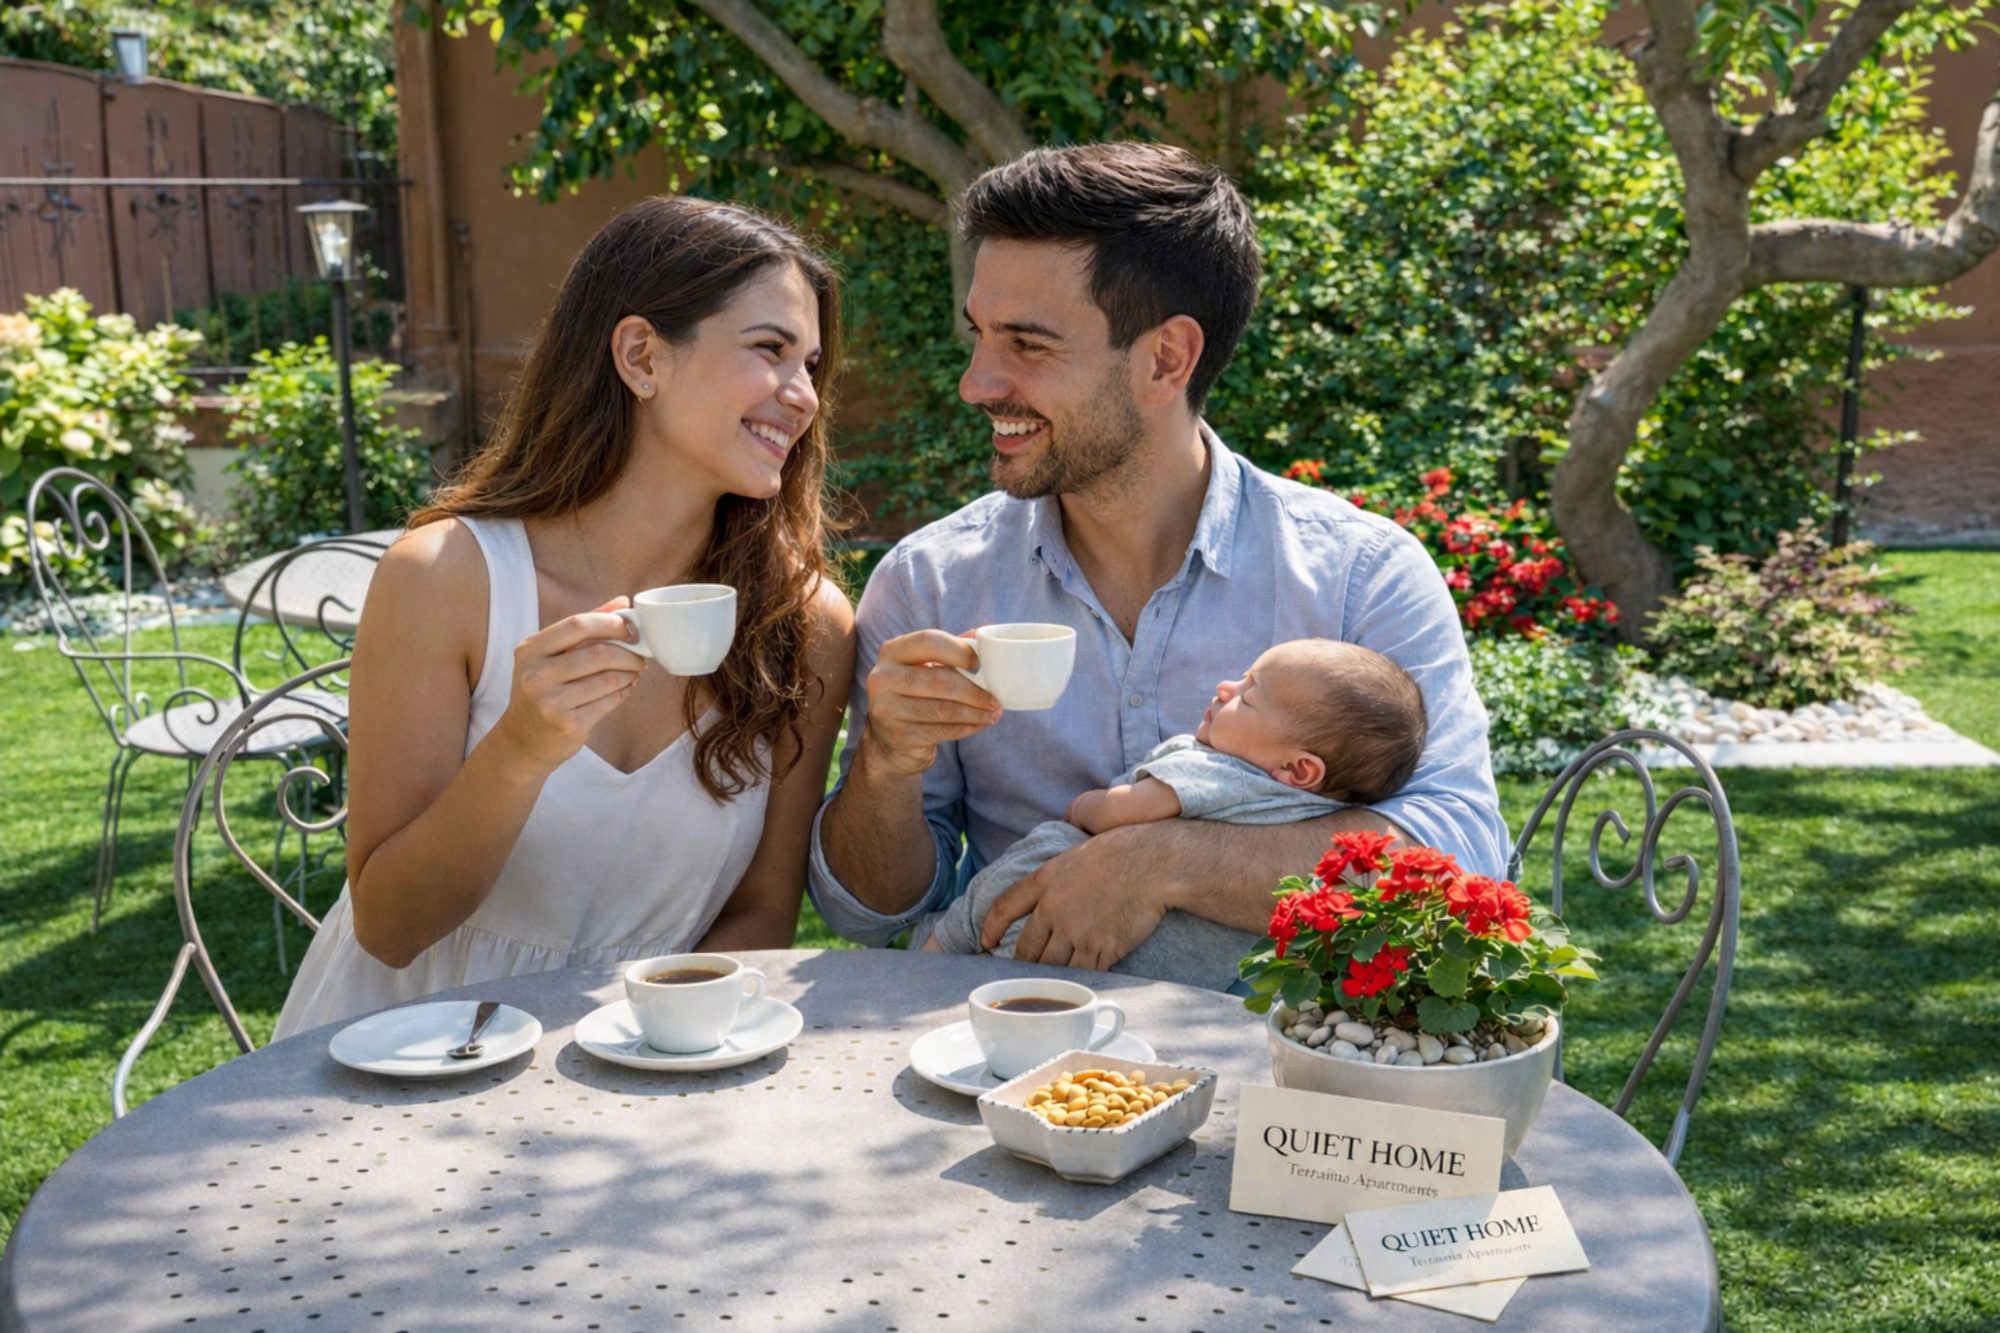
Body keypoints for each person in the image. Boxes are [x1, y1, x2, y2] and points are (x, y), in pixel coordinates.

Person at [808, 142, 1506, 981]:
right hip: (993, 1068)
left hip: (1275, 1084)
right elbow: (865, 911)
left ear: (1167, 358)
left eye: (1028, 344)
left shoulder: (1362, 575)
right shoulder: (929, 582)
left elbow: (1456, 852)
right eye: (980, 336)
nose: (977, 381)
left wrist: (1159, 863)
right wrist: (886, 766)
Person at [274, 197, 855, 1038]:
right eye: (769, 350)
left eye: (811, 363)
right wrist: (517, 751)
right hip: (401, 1050)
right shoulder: (446, 577)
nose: (801, 395)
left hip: (647, 1065)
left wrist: (641, 1053)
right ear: (640, 355)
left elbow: (763, 916)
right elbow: (390, 928)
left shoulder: (806, 624)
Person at [913, 639, 1428, 989]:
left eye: (1248, 698)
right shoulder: (1311, 810)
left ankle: (940, 948)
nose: (1226, 689)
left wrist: (1082, 805)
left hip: (1066, 903)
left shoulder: (1216, 771)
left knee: (1039, 855)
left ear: (1297, 767)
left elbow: (1125, 814)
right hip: (1181, 971)